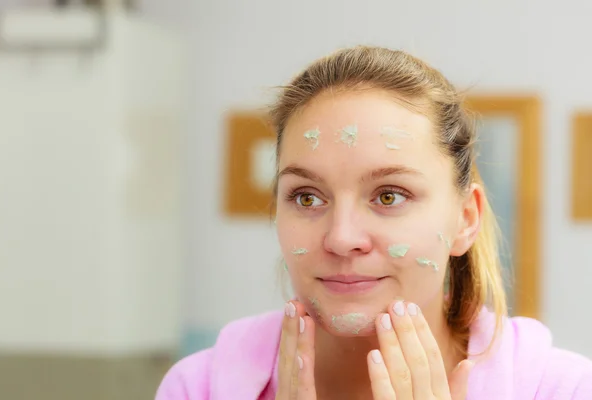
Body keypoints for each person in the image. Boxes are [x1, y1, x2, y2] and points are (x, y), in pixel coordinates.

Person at [155, 46, 592, 400]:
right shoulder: (197, 389)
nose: (342, 238)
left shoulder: (566, 389)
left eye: (389, 196)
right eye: (307, 197)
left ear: (465, 218)